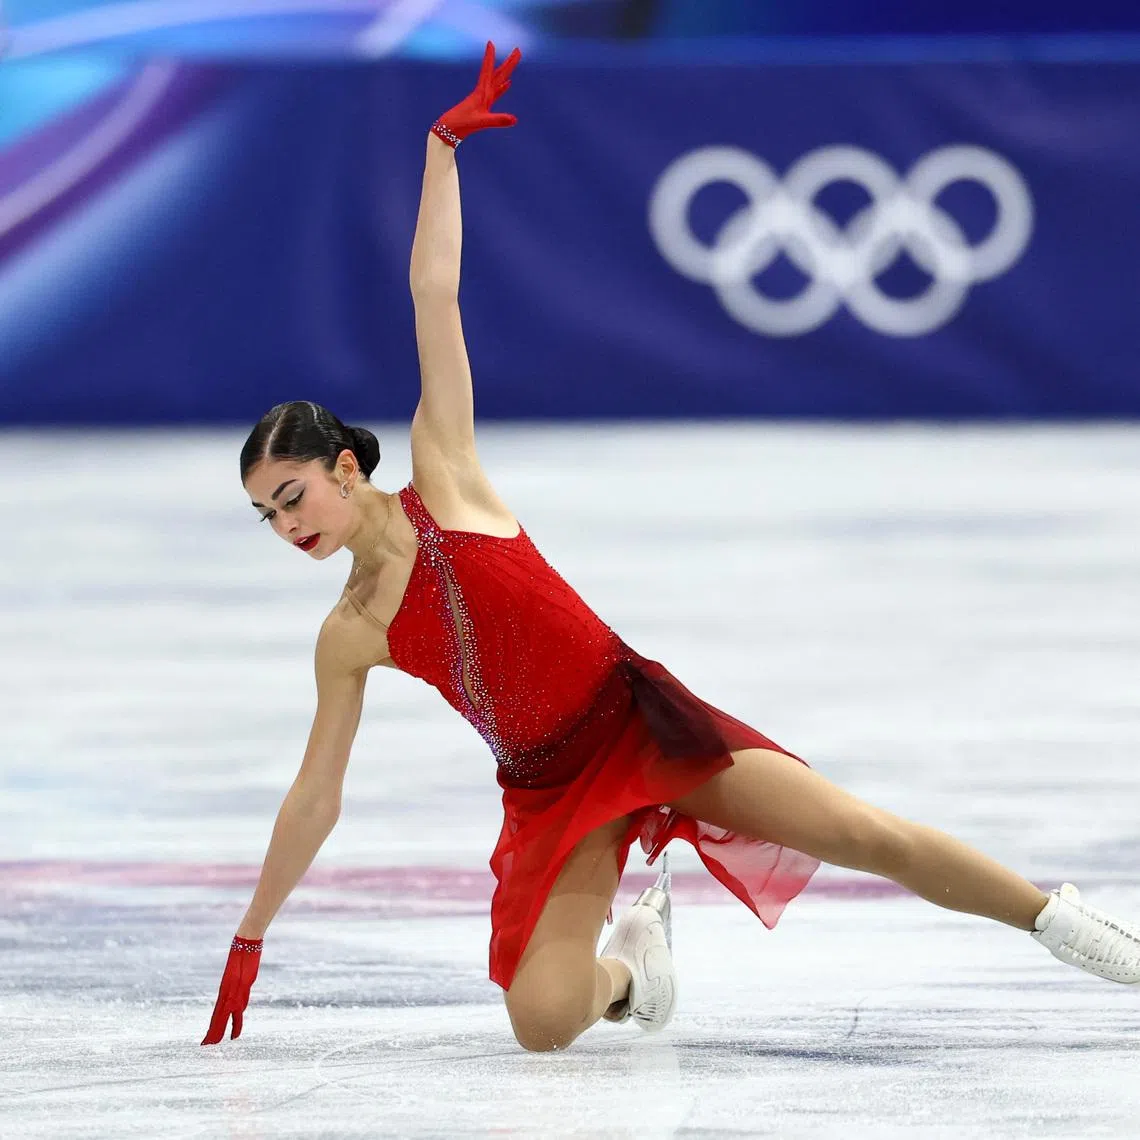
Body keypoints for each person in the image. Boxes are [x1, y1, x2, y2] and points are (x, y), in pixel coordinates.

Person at [203, 43, 1140, 1052]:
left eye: (292, 496)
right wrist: (252, 932)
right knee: (541, 1022)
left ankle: (1063, 923)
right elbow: (316, 795)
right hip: (550, 788)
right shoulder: (348, 634)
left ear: (346, 466)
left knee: (863, 834)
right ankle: (632, 968)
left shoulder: (448, 478)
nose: (288, 526)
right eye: (268, 515)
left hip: (639, 724)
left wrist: (440, 151)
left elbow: (435, 293)